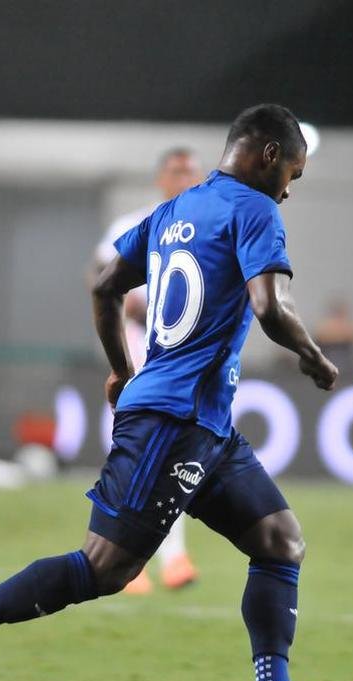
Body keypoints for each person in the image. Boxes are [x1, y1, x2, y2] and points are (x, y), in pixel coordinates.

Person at [0, 104, 353, 681]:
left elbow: (104, 287)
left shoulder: (175, 211)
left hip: (202, 423)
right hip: (172, 421)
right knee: (105, 569)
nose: (290, 187)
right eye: (292, 170)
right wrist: (314, 357)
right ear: (267, 156)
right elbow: (270, 304)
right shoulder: (256, 209)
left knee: (279, 541)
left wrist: (121, 369)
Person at [90, 147, 203, 594]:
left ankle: (166, 557)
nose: (186, 177)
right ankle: (134, 559)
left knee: (176, 454)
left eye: (192, 170)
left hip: (187, 356)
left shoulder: (212, 223)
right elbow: (99, 279)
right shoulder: (135, 225)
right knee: (139, 450)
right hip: (141, 352)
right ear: (161, 178)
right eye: (177, 170)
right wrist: (126, 298)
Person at [314, 296, 353, 371]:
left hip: (347, 363)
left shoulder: (348, 325)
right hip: (328, 361)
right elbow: (321, 335)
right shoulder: (325, 325)